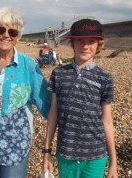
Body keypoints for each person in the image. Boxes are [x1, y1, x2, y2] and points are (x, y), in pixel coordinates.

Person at [0, 6, 52, 178]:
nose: (6, 35)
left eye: (12, 32)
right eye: (0, 29)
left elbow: (48, 105)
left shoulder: (29, 67)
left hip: (16, 146)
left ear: (18, 37)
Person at [42, 19, 118, 178]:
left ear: (98, 44)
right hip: (66, 154)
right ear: (72, 43)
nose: (85, 46)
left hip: (96, 155)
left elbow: (107, 121)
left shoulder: (105, 78)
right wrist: (46, 151)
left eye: (91, 41)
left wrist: (113, 162)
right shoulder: (59, 74)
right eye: (80, 41)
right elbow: (53, 115)